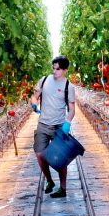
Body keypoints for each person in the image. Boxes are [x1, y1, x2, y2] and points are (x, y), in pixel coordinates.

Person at [30, 55, 76, 198]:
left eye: (58, 69)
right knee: (40, 154)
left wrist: (67, 123)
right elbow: (35, 96)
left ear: (65, 70)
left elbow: (72, 108)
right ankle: (49, 180)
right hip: (43, 124)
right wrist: (34, 103)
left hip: (59, 126)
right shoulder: (44, 80)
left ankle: (63, 188)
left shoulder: (69, 86)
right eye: (53, 68)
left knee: (60, 159)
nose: (55, 71)